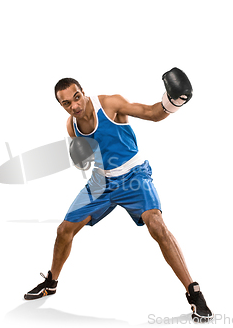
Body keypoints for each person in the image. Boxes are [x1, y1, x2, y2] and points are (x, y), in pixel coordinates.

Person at [24, 68, 213, 321]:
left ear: (84, 92)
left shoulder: (110, 104)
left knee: (156, 225)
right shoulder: (72, 125)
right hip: (102, 181)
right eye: (66, 103)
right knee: (63, 231)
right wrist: (79, 156)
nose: (74, 106)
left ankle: (193, 291)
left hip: (134, 176)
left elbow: (151, 113)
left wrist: (173, 101)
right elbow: (83, 159)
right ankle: (51, 282)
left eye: (77, 97)